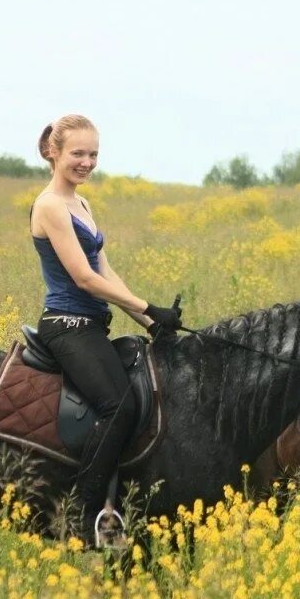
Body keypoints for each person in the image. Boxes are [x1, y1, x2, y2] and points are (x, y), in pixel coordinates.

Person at [30, 114, 181, 546]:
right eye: (78, 153)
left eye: (93, 153)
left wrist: (151, 321)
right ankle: (86, 514)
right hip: (67, 326)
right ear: (53, 153)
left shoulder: (81, 204)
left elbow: (105, 270)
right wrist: (145, 306)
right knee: (119, 406)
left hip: (93, 325)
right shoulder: (49, 206)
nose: (87, 162)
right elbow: (84, 279)